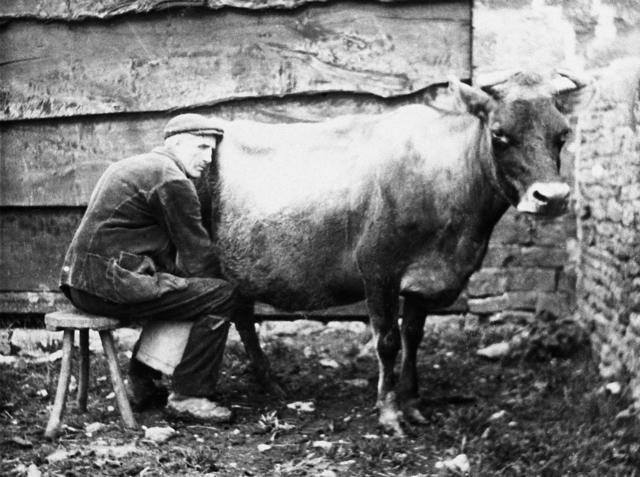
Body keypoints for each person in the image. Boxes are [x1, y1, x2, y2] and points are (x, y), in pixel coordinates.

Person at [59, 113, 236, 423]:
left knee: (185, 290)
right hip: (108, 286)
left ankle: (145, 382)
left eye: (212, 150)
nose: (208, 158)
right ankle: (190, 396)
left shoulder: (132, 166)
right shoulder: (172, 180)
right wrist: (238, 278)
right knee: (221, 294)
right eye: (201, 147)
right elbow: (198, 256)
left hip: (79, 283)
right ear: (177, 143)